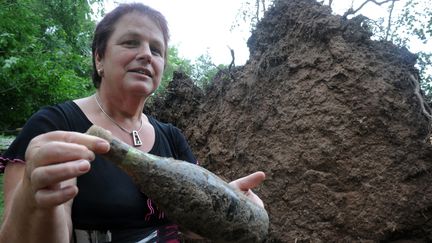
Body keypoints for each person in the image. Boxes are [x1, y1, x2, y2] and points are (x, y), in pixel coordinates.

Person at [0, 3, 266, 243]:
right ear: (99, 58)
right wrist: (33, 199)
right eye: (130, 43)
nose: (146, 55)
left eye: (156, 50)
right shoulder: (55, 126)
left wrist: (225, 203)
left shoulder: (171, 136)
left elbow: (190, 227)